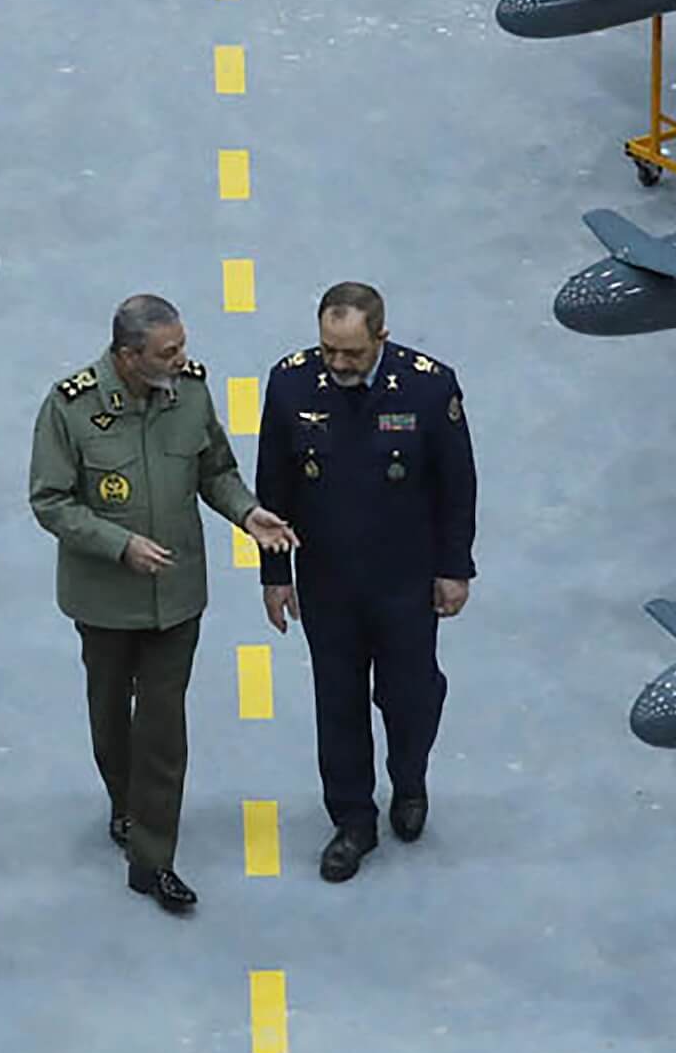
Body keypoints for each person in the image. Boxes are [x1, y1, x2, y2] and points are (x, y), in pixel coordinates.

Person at [30, 294, 298, 913]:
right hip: (104, 599)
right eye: (168, 351)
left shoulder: (191, 394)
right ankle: (124, 804)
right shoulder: (70, 407)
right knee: (109, 718)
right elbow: (51, 500)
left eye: (182, 346)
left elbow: (215, 471)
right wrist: (119, 545)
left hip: (176, 598)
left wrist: (247, 513)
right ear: (129, 357)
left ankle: (153, 860)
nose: (182, 358)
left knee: (162, 727)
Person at [255, 282, 476, 883]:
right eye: (329, 349)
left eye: (351, 352)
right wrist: (275, 574)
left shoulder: (430, 387)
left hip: (406, 581)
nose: (338, 363)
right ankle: (353, 820)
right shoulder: (291, 384)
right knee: (339, 704)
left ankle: (409, 780)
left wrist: (454, 568)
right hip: (327, 581)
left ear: (381, 336)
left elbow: (457, 486)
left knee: (412, 696)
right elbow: (274, 486)